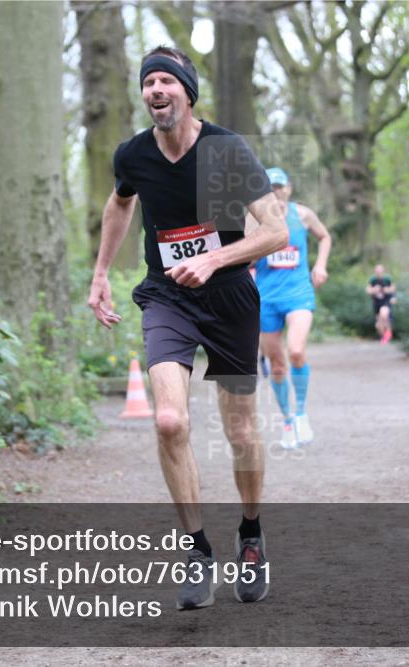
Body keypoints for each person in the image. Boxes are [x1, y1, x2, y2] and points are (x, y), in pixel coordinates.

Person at [87, 46, 288, 611]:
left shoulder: (225, 150)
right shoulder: (133, 155)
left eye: (166, 81)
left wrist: (214, 260)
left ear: (187, 92)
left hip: (228, 298)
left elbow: (275, 232)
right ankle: (198, 549)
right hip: (168, 296)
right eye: (148, 81)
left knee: (242, 432)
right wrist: (101, 272)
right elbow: (119, 204)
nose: (155, 89)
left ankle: (250, 534)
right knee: (170, 419)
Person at [250, 167, 331, 449]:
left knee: (296, 351)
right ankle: (287, 419)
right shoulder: (253, 219)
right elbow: (244, 257)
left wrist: (320, 265)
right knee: (278, 365)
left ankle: (301, 414)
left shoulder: (303, 215)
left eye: (280, 186)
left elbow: (325, 237)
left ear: (289, 188)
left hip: (298, 293)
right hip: (266, 299)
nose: (276, 191)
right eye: (270, 187)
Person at [367, 264, 397, 344]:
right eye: (377, 271)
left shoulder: (387, 279)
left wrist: (389, 292)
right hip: (377, 303)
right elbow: (368, 291)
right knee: (378, 324)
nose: (378, 273)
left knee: (383, 314)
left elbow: (393, 289)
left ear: (383, 271)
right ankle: (385, 336)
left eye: (380, 271)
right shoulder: (372, 280)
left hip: (386, 301)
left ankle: (387, 334)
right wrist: (374, 290)